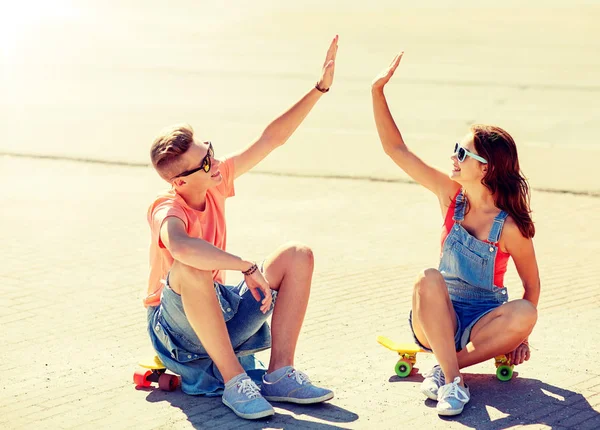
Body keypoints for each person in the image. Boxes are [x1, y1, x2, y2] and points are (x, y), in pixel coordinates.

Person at [144, 36, 339, 420]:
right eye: (203, 164)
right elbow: (180, 247)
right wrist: (245, 266)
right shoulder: (167, 207)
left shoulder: (216, 180)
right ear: (179, 182)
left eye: (210, 152)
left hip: (221, 310)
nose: (213, 164)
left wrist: (319, 89)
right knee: (190, 268)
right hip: (177, 332)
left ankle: (280, 374)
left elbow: (271, 139)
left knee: (297, 255)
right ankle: (236, 383)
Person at [371, 52, 540, 416]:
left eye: (462, 153)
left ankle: (447, 369)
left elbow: (532, 288)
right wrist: (377, 92)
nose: (454, 156)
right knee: (427, 278)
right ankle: (454, 381)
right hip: (436, 318)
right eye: (455, 149)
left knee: (526, 312)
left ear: (486, 169)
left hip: (483, 322)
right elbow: (395, 149)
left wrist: (520, 337)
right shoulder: (451, 197)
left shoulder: (509, 226)